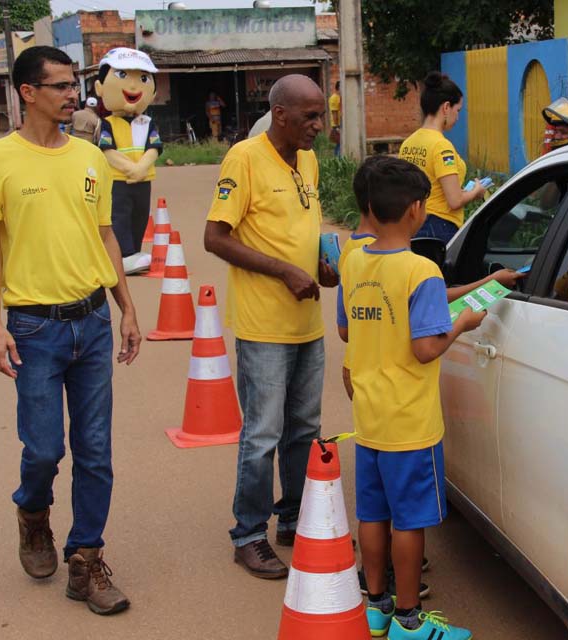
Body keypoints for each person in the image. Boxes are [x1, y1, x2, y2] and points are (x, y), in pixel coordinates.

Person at [0, 46, 141, 616]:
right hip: (33, 327)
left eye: (74, 85)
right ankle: (33, 510)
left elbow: (106, 235)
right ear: (28, 92)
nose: (74, 95)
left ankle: (86, 560)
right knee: (44, 449)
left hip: (92, 322)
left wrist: (127, 308)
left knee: (95, 450)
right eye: (62, 86)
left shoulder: (90, 157)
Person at [337, 157, 485, 640]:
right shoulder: (422, 271)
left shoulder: (353, 260)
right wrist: (462, 324)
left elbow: (346, 328)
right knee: (409, 522)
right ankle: (409, 619)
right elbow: (426, 349)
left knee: (372, 514)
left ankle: (376, 608)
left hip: (369, 417)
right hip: (410, 423)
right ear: (417, 209)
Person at [203, 74, 339, 579]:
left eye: (321, 115)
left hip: (307, 322)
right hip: (263, 325)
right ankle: (249, 534)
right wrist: (284, 270)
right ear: (279, 114)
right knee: (263, 433)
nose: (319, 125)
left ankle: (295, 520)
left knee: (304, 429)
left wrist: (322, 266)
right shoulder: (244, 158)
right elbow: (215, 237)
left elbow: (301, 228)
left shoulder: (308, 160)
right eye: (310, 116)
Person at [94, 48, 162, 275]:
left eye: (143, 79)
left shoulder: (147, 122)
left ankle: (134, 253)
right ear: (100, 88)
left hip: (143, 179)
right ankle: (123, 255)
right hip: (118, 180)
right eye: (122, 76)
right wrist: (131, 169)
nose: (133, 87)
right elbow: (107, 150)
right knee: (119, 217)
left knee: (140, 216)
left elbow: (154, 147)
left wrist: (141, 168)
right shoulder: (107, 124)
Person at [399, 71, 486, 245]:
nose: (458, 117)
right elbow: (454, 201)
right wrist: (476, 191)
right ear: (446, 107)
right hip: (439, 228)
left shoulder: (408, 144)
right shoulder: (442, 147)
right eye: (457, 110)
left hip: (411, 225)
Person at [329, 80, 342, 156]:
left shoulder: (339, 97)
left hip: (339, 123)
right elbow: (334, 113)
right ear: (338, 87)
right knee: (339, 143)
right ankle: (338, 158)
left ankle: (337, 158)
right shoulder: (334, 98)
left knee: (339, 143)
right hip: (337, 124)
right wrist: (337, 126)